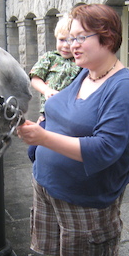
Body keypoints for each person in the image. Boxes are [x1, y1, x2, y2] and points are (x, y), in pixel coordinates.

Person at [17, 4, 129, 256]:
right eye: (70, 37)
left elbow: (104, 150)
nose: (72, 44)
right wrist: (38, 143)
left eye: (80, 37)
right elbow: (59, 110)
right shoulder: (84, 73)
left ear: (108, 38)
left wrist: (43, 137)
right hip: (48, 186)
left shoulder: (124, 88)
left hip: (86, 198)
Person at [27, 14, 81, 161]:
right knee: (33, 150)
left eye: (70, 41)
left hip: (71, 116)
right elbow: (35, 78)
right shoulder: (50, 57)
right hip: (48, 115)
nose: (65, 45)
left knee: (62, 151)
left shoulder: (81, 61)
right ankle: (39, 174)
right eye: (62, 40)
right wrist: (46, 90)